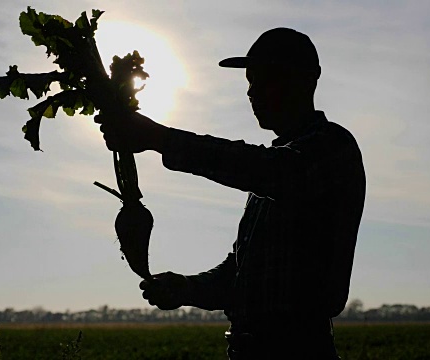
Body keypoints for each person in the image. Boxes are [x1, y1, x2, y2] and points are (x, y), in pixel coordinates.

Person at [96, 28, 366, 359]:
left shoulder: (331, 149)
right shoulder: (265, 182)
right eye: (249, 81)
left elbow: (272, 170)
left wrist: (159, 138)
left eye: (266, 79)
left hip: (298, 349)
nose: (252, 92)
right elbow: (239, 273)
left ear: (307, 79)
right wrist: (186, 288)